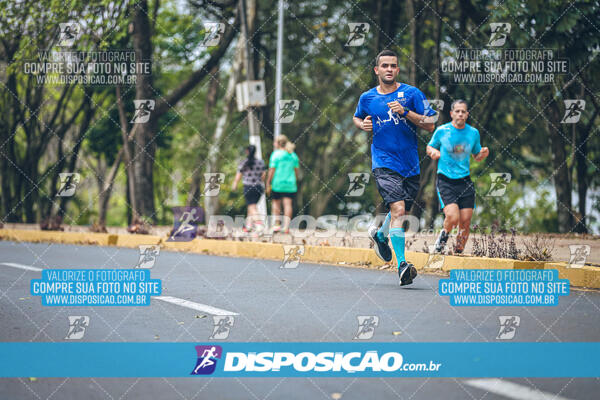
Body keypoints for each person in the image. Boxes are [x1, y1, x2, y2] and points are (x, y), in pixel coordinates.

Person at [353, 49, 437, 286]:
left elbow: (430, 124)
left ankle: (380, 235)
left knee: (402, 211)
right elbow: (357, 117)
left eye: (393, 66)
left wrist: (406, 112)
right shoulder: (367, 98)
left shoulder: (411, 93)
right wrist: (363, 125)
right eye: (385, 66)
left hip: (410, 164)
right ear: (376, 70)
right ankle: (402, 265)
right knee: (398, 209)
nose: (389, 69)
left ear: (397, 70)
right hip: (383, 161)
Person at [426, 100, 489, 254]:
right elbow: (430, 146)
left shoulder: (473, 133)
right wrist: (433, 152)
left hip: (465, 181)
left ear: (467, 114)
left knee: (465, 221)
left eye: (463, 111)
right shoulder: (442, 130)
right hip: (445, 180)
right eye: (457, 111)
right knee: (452, 217)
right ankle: (441, 241)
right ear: (451, 113)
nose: (460, 114)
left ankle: (458, 252)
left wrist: (483, 154)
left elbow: (476, 155)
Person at [266, 135, 299, 234]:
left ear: (278, 143)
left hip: (278, 183)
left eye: (274, 142)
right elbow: (296, 170)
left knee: (276, 203)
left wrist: (268, 182)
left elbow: (272, 170)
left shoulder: (275, 155)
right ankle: (286, 227)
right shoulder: (293, 155)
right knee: (288, 205)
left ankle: (277, 225)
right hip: (290, 184)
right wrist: (294, 179)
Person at [231, 145, 266, 232]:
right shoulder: (261, 162)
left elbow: (238, 175)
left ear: (247, 151)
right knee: (251, 206)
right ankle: (248, 226)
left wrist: (235, 184)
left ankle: (259, 224)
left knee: (252, 207)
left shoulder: (244, 162)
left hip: (248, 187)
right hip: (258, 187)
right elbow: (263, 175)